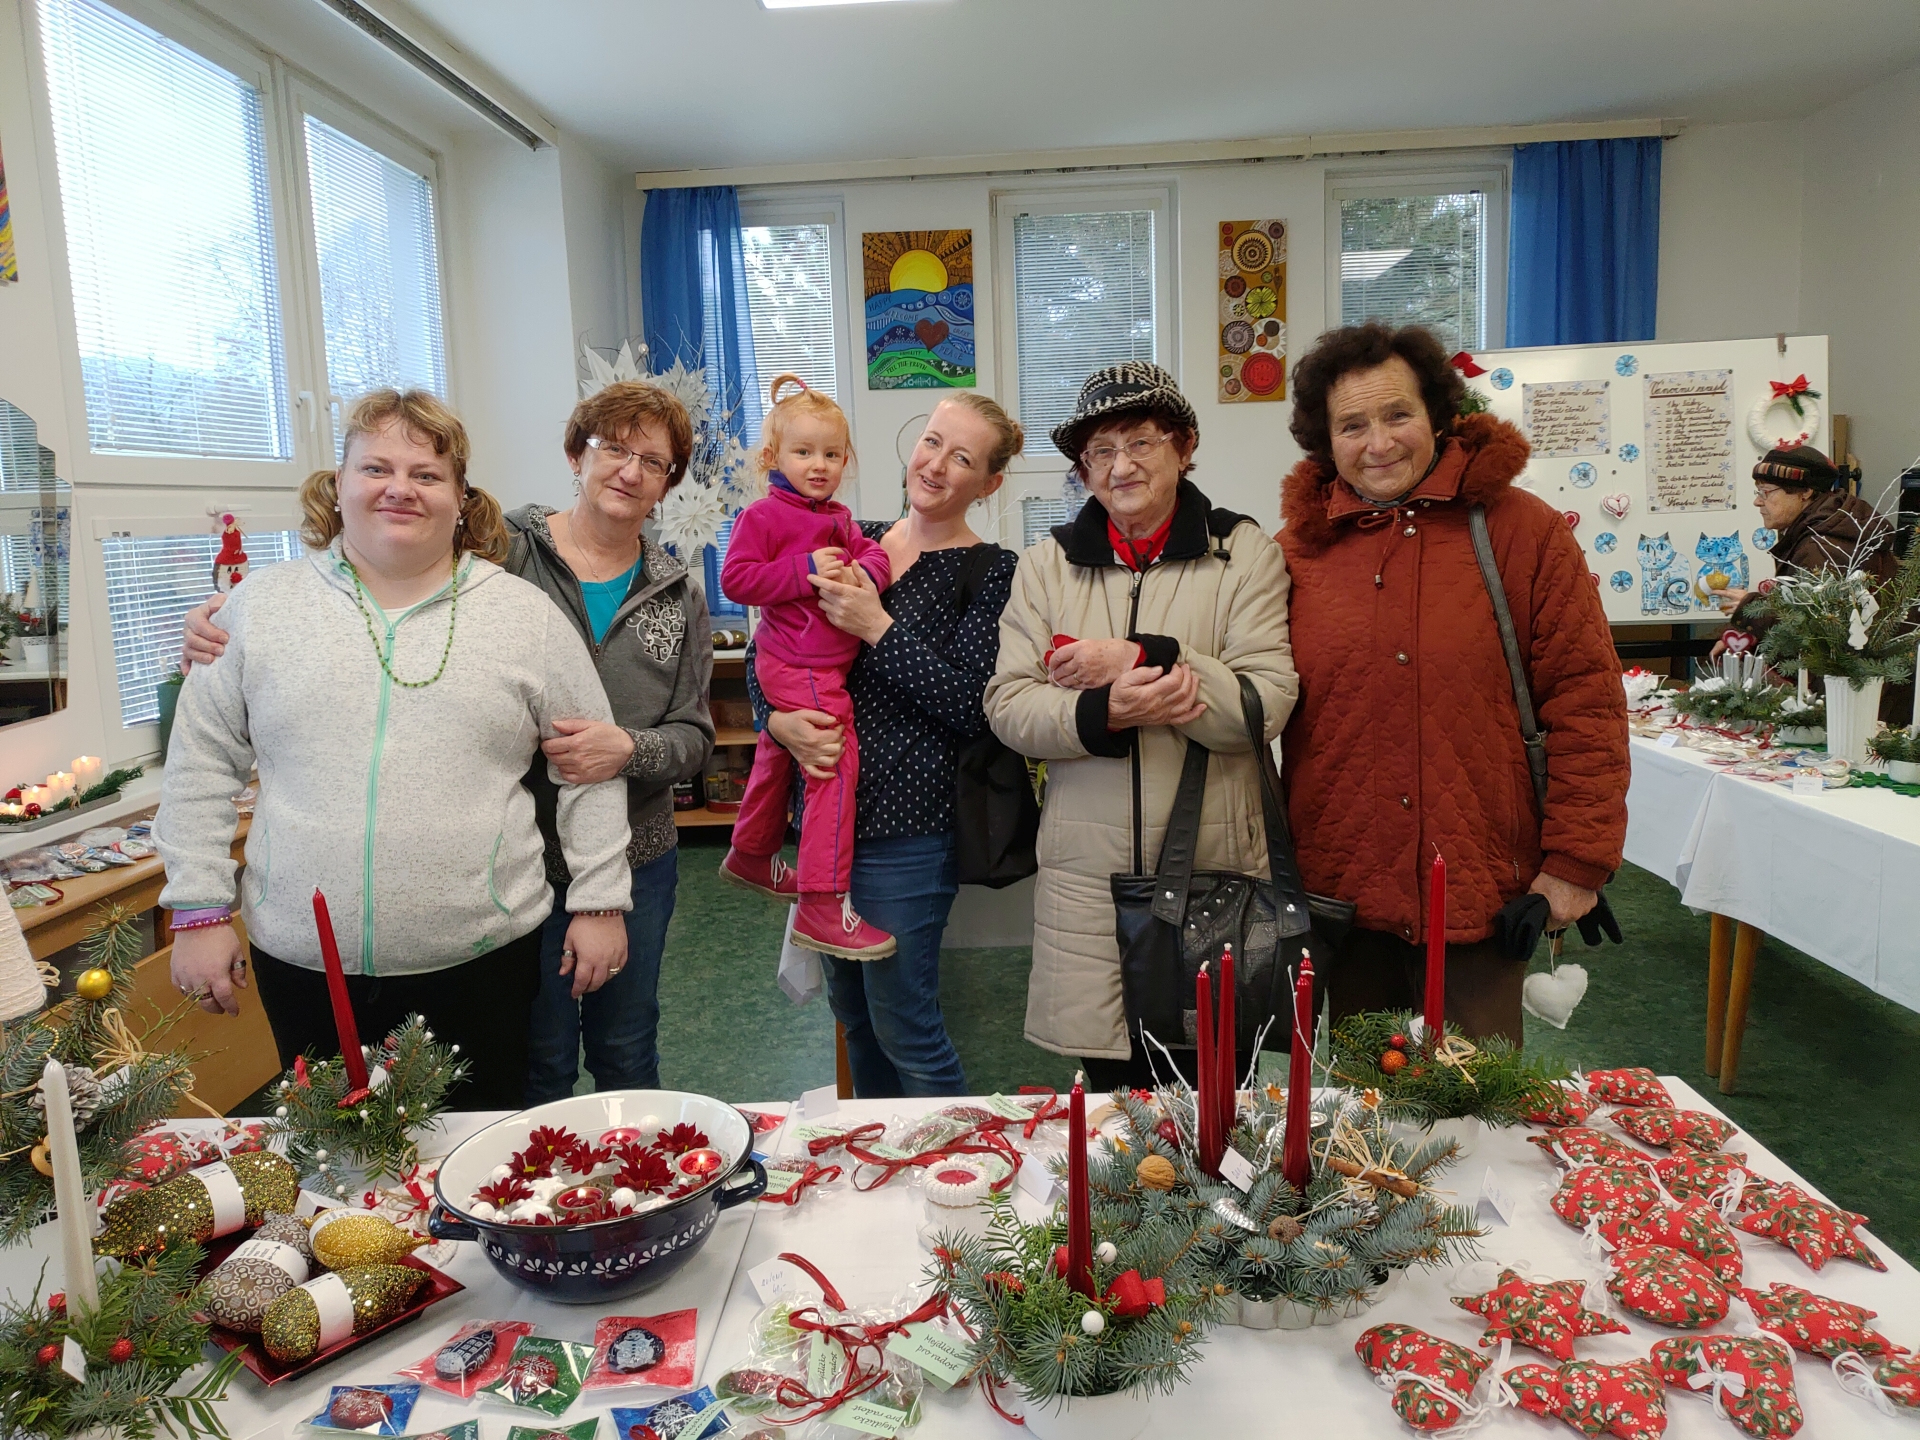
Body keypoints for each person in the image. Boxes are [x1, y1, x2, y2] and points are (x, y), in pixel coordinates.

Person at [182, 381, 716, 1105]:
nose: (401, 489)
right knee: (517, 1073)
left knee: (609, 1055)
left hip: (541, 901)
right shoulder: (510, 551)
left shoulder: (659, 592)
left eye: (653, 461)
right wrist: (200, 906)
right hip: (329, 946)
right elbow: (204, 762)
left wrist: (617, 795)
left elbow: (684, 736)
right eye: (376, 468)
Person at [1278, 323, 1629, 1041]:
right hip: (1344, 892)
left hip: (1483, 888)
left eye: (1397, 414)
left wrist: (1576, 863)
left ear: (1438, 414)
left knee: (1478, 1101)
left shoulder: (1524, 533)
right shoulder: (1296, 555)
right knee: (1360, 1098)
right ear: (1324, 440)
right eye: (1352, 425)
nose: (1379, 443)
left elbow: (1586, 702)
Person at [984, 363, 1297, 1090]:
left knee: (1216, 1097)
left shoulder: (1242, 553)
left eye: (1141, 442)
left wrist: (1146, 657)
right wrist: (1104, 712)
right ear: (1082, 470)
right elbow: (1008, 706)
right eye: (1099, 451)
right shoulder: (1046, 566)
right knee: (1114, 1105)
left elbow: (1264, 704)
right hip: (1087, 887)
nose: (1120, 465)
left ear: (1184, 447)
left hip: (1214, 874)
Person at [750, 393, 1023, 1097]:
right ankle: (877, 1151)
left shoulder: (991, 571)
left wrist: (876, 625)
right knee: (855, 1020)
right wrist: (775, 721)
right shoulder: (851, 537)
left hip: (909, 834)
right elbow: (767, 652)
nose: (935, 465)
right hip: (826, 827)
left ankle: (955, 1160)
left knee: (907, 1027)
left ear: (989, 483)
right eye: (932, 442)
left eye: (961, 458)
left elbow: (971, 706)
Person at [719, 375, 894, 959]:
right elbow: (736, 579)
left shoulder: (839, 518)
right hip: (800, 666)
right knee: (834, 766)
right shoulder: (763, 516)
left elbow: (873, 553)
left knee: (778, 754)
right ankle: (822, 901)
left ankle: (750, 852)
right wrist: (804, 570)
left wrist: (865, 574)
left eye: (831, 454)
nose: (819, 465)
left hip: (818, 666)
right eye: (803, 452)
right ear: (773, 457)